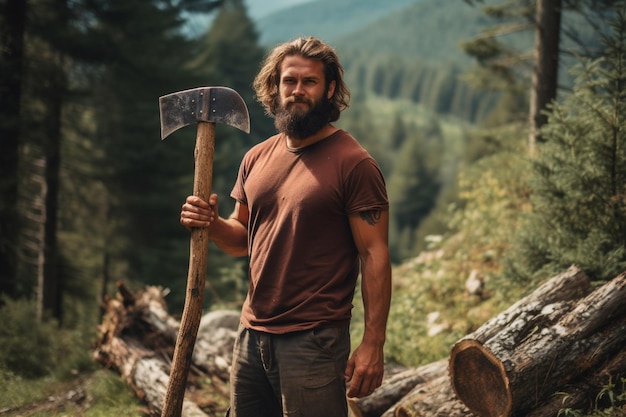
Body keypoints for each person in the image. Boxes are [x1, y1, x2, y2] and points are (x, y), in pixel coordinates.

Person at [180, 36, 392, 417]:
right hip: (250, 336)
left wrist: (373, 343)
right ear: (274, 88)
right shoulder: (256, 158)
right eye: (288, 81)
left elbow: (374, 254)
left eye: (309, 82)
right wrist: (211, 225)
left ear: (329, 89)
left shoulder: (354, 163)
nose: (297, 91)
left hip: (314, 340)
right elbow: (243, 239)